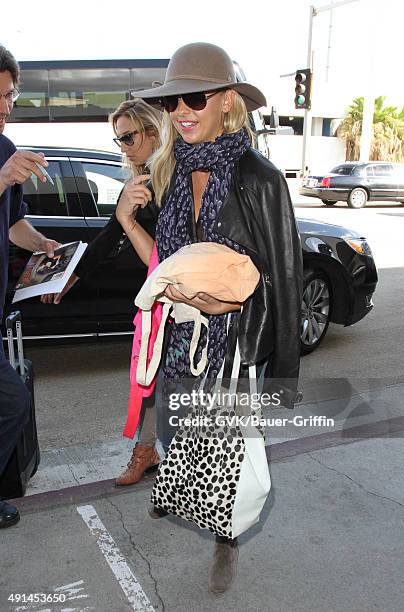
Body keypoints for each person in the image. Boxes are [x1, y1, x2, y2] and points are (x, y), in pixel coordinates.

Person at [124, 42, 303, 593]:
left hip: (234, 341)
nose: (182, 112)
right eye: (176, 101)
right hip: (183, 336)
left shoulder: (259, 177)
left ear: (227, 102)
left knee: (228, 451)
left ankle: (226, 532)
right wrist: (129, 219)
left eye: (195, 99)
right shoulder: (176, 172)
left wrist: (280, 375)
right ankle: (192, 502)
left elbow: (284, 277)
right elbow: (168, 264)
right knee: (186, 436)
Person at [41, 99, 163, 486]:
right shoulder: (141, 180)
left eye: (129, 137)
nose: (123, 146)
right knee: (151, 376)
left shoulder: (174, 176)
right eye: (118, 139)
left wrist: (129, 220)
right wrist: (67, 280)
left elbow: (163, 252)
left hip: (183, 292)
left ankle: (164, 458)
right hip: (160, 293)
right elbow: (109, 235)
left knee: (167, 380)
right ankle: (146, 453)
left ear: (153, 131)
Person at [0, 45, 59, 528]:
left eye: (10, 95)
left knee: (9, 405)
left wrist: (40, 243)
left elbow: (13, 222)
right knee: (13, 402)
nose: (4, 107)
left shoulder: (5, 148)